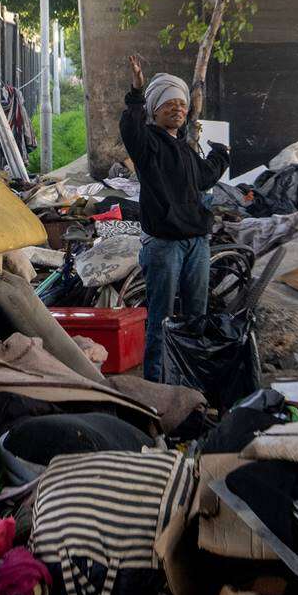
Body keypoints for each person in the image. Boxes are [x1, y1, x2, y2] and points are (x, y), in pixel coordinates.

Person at [120, 56, 229, 382]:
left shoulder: (184, 148)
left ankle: (190, 379)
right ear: (154, 110)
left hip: (196, 242)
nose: (178, 109)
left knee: (195, 317)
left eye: (182, 104)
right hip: (164, 245)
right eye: (169, 104)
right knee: (162, 318)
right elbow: (130, 125)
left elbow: (204, 178)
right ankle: (157, 383)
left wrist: (221, 155)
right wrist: (137, 90)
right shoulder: (147, 143)